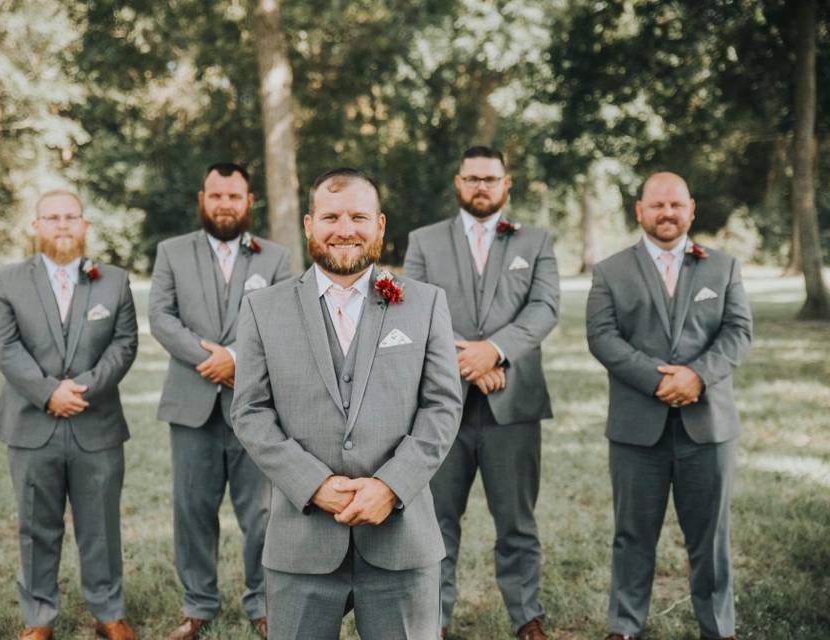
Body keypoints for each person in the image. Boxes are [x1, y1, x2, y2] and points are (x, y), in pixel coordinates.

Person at [230, 168, 463, 640]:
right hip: (301, 539)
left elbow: (442, 407)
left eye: (358, 216)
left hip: (401, 539)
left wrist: (390, 487)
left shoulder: (425, 303)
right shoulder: (263, 308)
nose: (345, 229)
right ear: (309, 224)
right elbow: (250, 411)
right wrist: (313, 484)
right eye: (331, 216)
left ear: (379, 225)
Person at [586, 172, 752, 640]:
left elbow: (738, 333)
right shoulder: (610, 271)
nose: (667, 213)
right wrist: (658, 382)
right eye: (657, 205)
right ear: (640, 210)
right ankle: (624, 626)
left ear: (691, 209)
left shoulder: (724, 267)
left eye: (676, 205)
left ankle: (718, 629)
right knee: (632, 535)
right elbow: (602, 337)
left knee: (711, 539)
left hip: (709, 426)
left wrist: (696, 376)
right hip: (637, 428)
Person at [403, 146, 559, 640]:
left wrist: (494, 351)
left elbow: (544, 308)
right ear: (457, 182)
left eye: (490, 179)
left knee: (516, 519)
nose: (481, 187)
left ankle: (526, 615)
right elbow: (413, 308)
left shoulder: (535, 240)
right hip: (439, 406)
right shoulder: (425, 241)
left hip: (512, 402)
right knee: (438, 519)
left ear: (506, 184)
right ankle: (435, 620)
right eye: (472, 178)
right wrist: (464, 361)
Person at [0, 190, 138, 640]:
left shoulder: (113, 280)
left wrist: (82, 389)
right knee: (36, 526)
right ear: (35, 226)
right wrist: (49, 392)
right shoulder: (7, 280)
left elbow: (124, 344)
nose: (62, 225)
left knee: (102, 527)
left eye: (71, 216)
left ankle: (109, 611)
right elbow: (3, 345)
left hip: (98, 422)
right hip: (32, 425)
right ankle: (37, 619)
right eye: (52, 217)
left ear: (85, 224)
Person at [149, 162, 291, 640]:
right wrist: (208, 358)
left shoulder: (275, 257)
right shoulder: (171, 252)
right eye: (216, 195)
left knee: (262, 514)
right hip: (191, 404)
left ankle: (263, 603)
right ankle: (198, 606)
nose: (225, 204)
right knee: (191, 510)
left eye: (234, 196)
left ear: (249, 201)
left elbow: (284, 319)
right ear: (201, 199)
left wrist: (236, 359)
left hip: (255, 406)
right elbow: (162, 318)